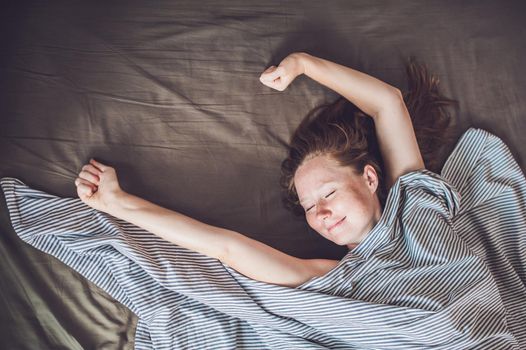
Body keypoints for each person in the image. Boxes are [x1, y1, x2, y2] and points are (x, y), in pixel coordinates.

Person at [74, 52, 457, 288]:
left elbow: (387, 103)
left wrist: (304, 64)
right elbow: (227, 247)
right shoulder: (334, 276)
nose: (320, 213)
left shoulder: (417, 204)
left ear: (370, 178)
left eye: (327, 193)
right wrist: (117, 204)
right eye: (308, 207)